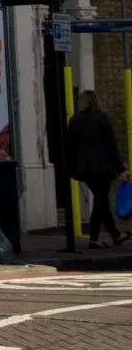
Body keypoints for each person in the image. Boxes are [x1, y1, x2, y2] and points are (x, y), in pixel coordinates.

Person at [66, 80, 126, 249]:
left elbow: (70, 147)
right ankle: (96, 239)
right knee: (101, 201)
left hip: (84, 168)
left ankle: (115, 235)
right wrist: (121, 169)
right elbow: (111, 145)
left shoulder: (74, 121)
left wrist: (71, 168)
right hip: (103, 166)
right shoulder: (101, 119)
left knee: (101, 201)